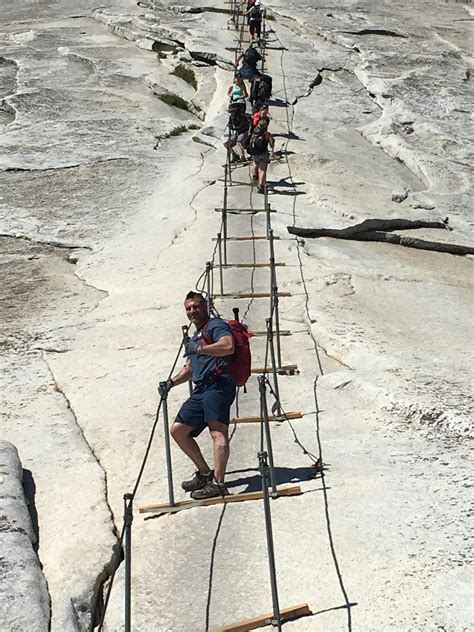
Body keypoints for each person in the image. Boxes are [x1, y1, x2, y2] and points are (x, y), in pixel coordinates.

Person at [166, 292, 236, 500]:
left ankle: (219, 484)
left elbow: (228, 345)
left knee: (217, 432)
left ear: (204, 306)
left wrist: (200, 348)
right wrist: (170, 383)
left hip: (219, 384)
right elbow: (190, 368)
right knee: (178, 430)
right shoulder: (195, 335)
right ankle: (205, 473)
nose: (192, 311)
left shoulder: (215, 326)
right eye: (188, 308)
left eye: (195, 307)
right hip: (202, 388)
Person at [247, 117, 274, 193]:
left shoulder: (254, 132)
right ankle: (261, 186)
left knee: (255, 163)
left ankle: (255, 177)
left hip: (254, 153)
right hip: (263, 153)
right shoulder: (266, 134)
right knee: (262, 169)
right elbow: (271, 144)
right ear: (265, 126)